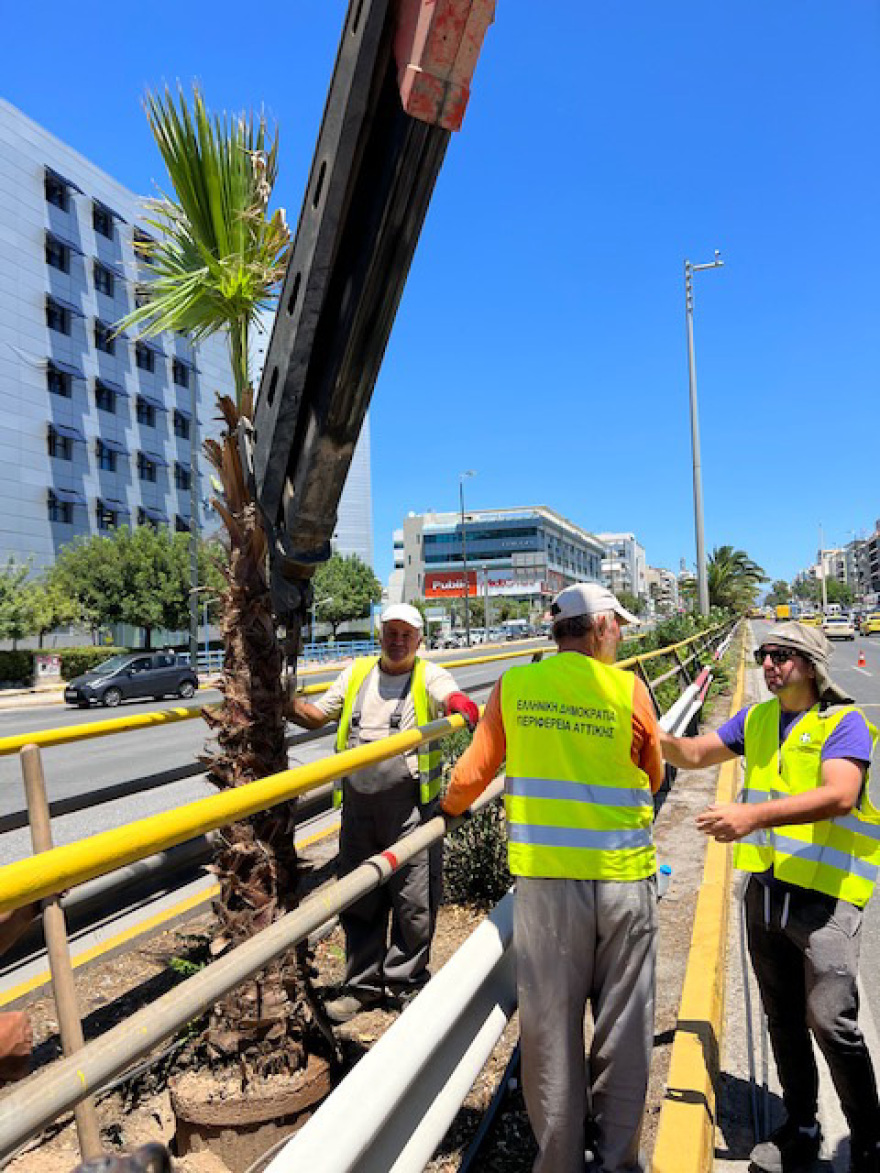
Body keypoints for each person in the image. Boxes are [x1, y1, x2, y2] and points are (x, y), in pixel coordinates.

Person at [441, 583, 664, 1173]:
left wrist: (448, 807)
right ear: (596, 630)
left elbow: (469, 779)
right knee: (623, 1029)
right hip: (624, 880)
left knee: (550, 1032)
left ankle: (560, 1161)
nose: (620, 634)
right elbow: (655, 774)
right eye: (617, 625)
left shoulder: (516, 686)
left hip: (547, 885)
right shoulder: (629, 690)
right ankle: (616, 1162)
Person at [660, 622, 880, 1173]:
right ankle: (800, 1127)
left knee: (831, 1021)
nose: (769, 662)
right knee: (781, 1018)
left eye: (782, 655)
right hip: (766, 894)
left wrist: (749, 815)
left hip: (824, 901)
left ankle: (871, 1139)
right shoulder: (758, 719)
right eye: (764, 654)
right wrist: (637, 718)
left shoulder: (844, 723)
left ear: (809, 664)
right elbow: (690, 754)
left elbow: (840, 795)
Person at [289, 602, 479, 1023]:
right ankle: (362, 987)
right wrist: (286, 702)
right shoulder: (357, 673)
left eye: (406, 635)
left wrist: (460, 703)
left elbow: (449, 693)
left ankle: (406, 984)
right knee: (360, 896)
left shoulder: (426, 674)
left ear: (419, 641)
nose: (397, 641)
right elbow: (318, 715)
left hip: (409, 808)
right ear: (380, 636)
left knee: (413, 900)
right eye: (390, 633)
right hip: (358, 811)